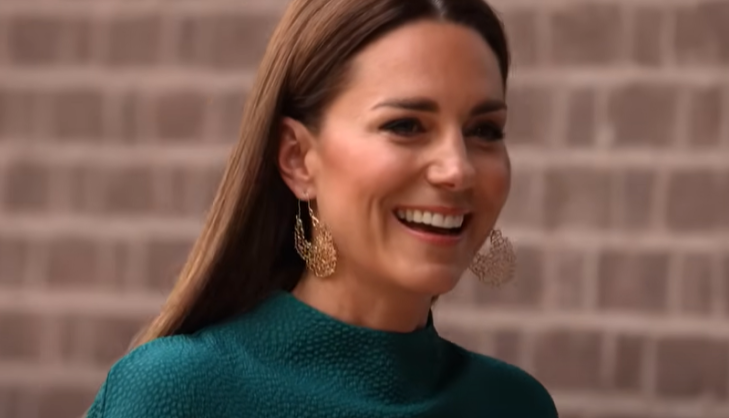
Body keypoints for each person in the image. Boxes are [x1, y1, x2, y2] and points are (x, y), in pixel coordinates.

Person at [85, 0, 558, 416]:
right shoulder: (174, 393)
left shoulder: (514, 405)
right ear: (297, 157)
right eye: (406, 125)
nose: (458, 169)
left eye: (484, 130)